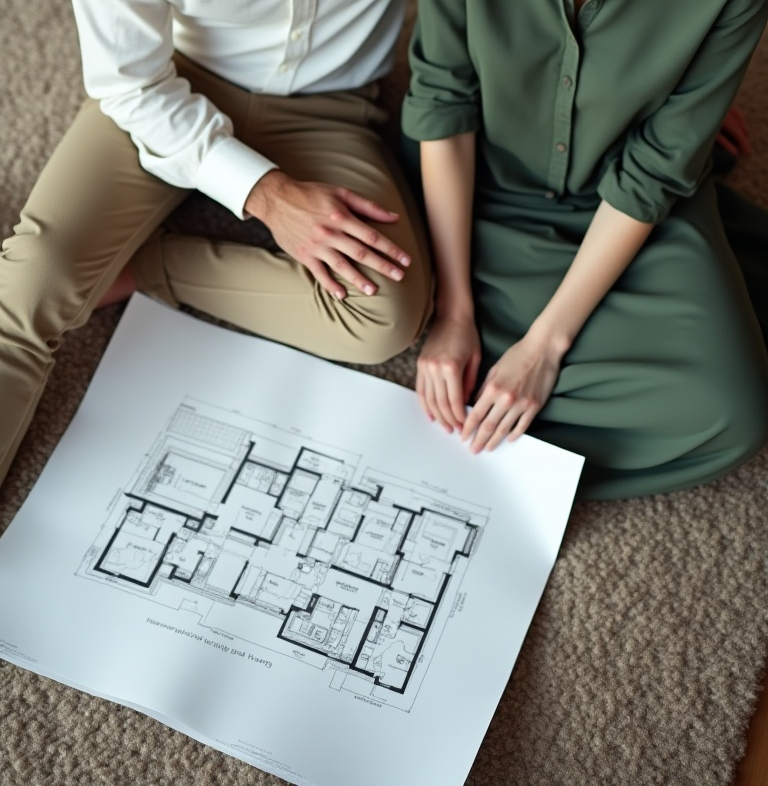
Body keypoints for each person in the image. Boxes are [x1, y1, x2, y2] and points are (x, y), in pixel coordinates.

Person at [0, 0, 433, 488]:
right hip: (168, 88)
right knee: (33, 280)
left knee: (383, 315)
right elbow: (129, 85)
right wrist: (267, 194)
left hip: (334, 109)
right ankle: (99, 265)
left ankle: (144, 264)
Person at [401, 0, 768, 499]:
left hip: (629, 210)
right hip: (477, 184)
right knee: (399, 315)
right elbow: (443, 102)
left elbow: (653, 172)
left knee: (732, 413)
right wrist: (453, 312)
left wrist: (544, 348)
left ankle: (488, 427)